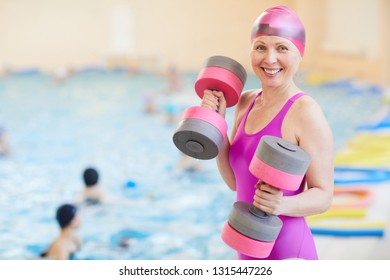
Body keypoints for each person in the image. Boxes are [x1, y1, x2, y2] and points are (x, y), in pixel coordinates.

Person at [200, 5, 334, 260]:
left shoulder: (305, 112)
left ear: (299, 54)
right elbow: (234, 183)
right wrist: (218, 125)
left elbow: (324, 196)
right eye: (261, 47)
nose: (269, 59)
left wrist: (282, 204)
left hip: (289, 252)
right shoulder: (245, 102)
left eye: (282, 48)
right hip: (247, 249)